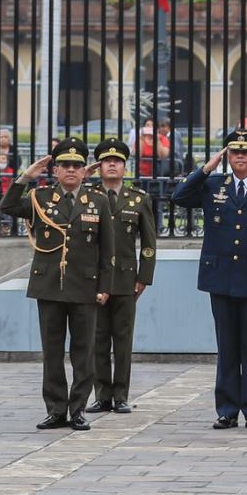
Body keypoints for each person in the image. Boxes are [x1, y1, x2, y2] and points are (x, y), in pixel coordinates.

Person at [173, 129, 247, 431]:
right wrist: (206, 168)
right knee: (226, 346)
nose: (240, 156)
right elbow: (179, 197)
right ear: (227, 155)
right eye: (234, 152)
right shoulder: (213, 185)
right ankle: (226, 409)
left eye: (246, 152)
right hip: (221, 277)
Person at [1, 137, 114, 431]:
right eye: (65, 165)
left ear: (84, 170)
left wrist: (105, 287)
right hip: (49, 286)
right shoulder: (40, 199)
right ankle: (55, 409)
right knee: (52, 352)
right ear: (55, 170)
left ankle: (78, 409)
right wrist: (26, 177)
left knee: (83, 353)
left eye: (77, 166)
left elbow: (107, 250)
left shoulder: (98, 201)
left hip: (84, 287)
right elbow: (8, 205)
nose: (71, 171)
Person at [84, 138, 157, 416]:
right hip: (94, 279)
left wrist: (145, 276)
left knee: (123, 339)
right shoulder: (88, 196)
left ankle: (121, 395)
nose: (112, 165)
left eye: (117, 161)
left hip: (126, 279)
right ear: (98, 165)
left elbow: (149, 242)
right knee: (98, 338)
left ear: (125, 167)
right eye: (106, 161)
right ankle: (102, 394)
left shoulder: (138, 199)